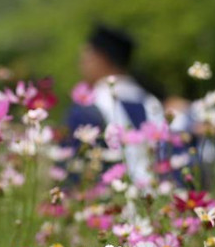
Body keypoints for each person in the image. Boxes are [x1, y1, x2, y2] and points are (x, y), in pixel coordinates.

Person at [67, 23, 165, 187]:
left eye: (85, 57)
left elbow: (77, 176)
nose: (81, 65)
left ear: (101, 59)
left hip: (110, 203)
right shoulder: (152, 102)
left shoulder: (87, 109)